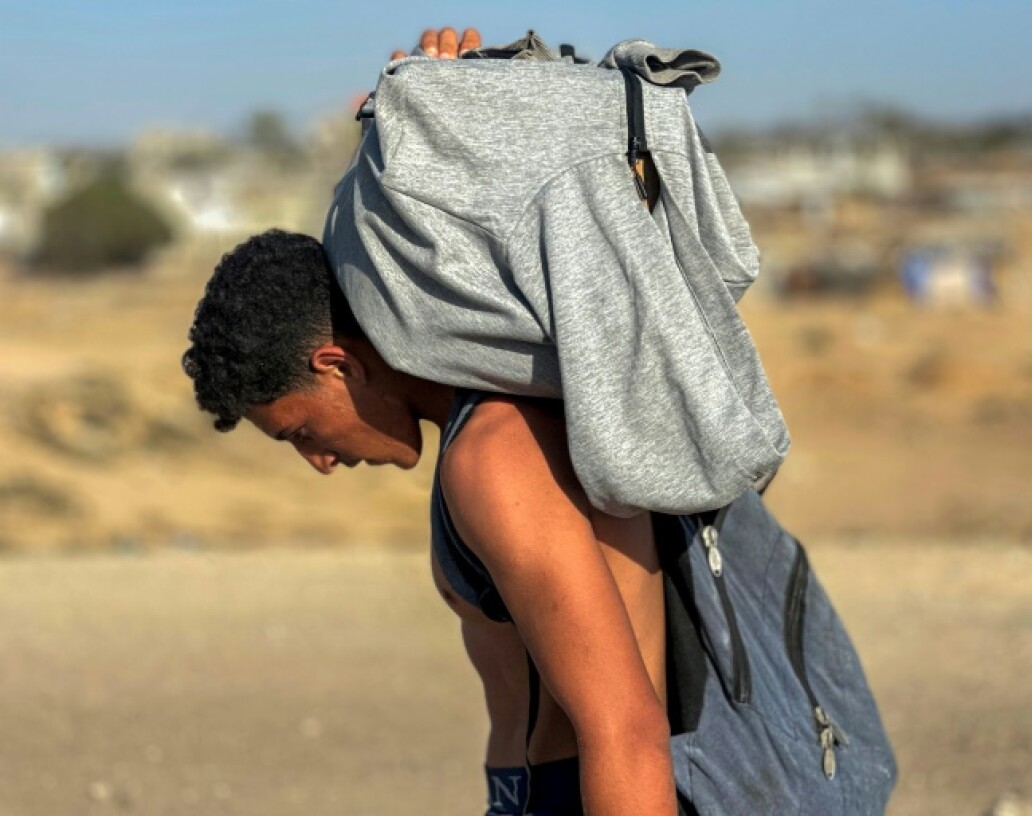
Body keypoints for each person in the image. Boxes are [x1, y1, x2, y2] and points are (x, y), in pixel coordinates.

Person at [184, 28, 678, 816]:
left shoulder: (496, 455)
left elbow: (627, 732)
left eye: (300, 432)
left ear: (336, 364)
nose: (318, 462)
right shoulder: (490, 423)